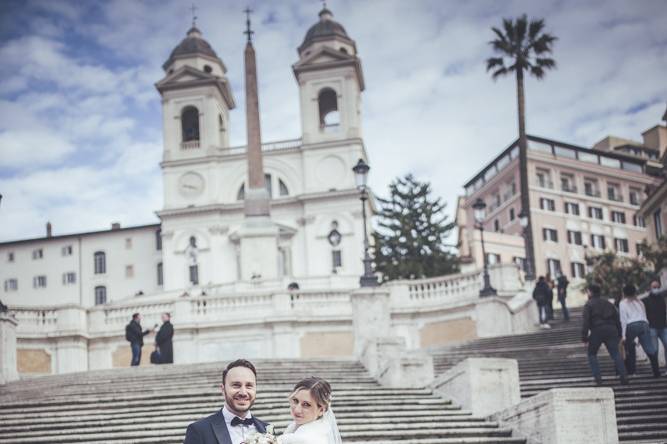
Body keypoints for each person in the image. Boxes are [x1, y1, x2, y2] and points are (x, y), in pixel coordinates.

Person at [183, 359, 270, 444]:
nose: (243, 392)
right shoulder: (199, 431)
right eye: (236, 385)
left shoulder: (267, 430)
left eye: (249, 386)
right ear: (223, 389)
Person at [582, 283, 628, 385]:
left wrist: (584, 337)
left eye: (588, 291)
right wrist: (620, 333)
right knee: (616, 353)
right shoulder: (608, 303)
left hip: (597, 330)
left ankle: (598, 378)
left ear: (590, 292)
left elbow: (586, 322)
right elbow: (617, 319)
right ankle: (624, 376)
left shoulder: (588, 304)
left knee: (592, 354)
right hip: (611, 329)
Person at [278, 377, 342, 444]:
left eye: (306, 404)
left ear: (321, 410)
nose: (297, 410)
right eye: (295, 401)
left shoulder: (302, 440)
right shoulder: (322, 429)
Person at [620, 284, 661, 377]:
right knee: (649, 349)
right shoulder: (640, 302)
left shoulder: (622, 303)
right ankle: (656, 371)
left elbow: (623, 320)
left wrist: (623, 335)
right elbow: (645, 316)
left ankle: (631, 371)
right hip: (644, 324)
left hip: (631, 325)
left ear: (624, 293)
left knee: (629, 348)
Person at [643, 279, 667, 370]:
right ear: (650, 288)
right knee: (655, 350)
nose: (656, 289)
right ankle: (656, 370)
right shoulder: (646, 300)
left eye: (658, 287)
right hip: (652, 327)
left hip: (663, 326)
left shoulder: (662, 298)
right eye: (654, 287)